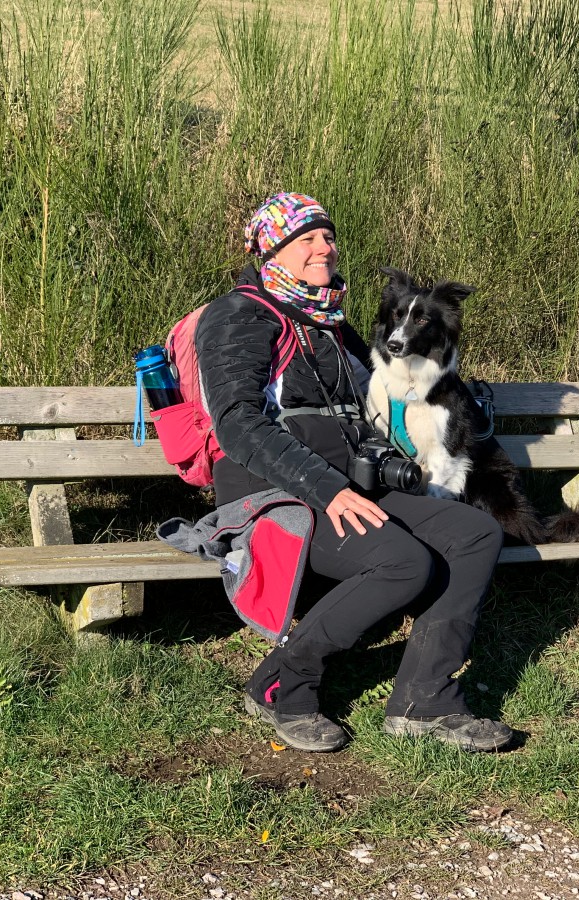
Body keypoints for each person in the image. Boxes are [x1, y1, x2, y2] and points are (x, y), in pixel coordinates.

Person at [195, 191, 512, 753]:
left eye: (328, 235)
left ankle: (424, 698)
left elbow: (364, 415)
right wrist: (328, 491)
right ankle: (283, 683)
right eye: (307, 238)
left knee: (475, 533)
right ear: (272, 250)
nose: (325, 247)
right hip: (274, 494)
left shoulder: (330, 324)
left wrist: (393, 469)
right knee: (404, 562)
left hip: (346, 486)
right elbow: (237, 426)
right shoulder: (239, 315)